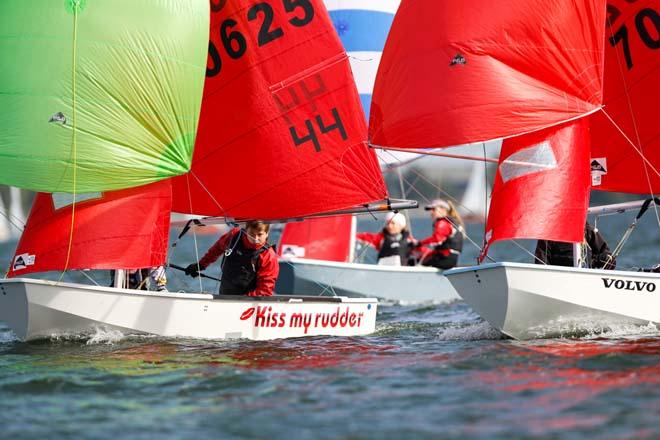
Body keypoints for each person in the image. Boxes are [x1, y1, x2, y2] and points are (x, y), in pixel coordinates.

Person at [184, 220, 279, 296]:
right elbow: (216, 249)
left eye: (260, 234)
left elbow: (265, 290)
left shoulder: (268, 256)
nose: (255, 238)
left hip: (248, 302)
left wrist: (243, 301)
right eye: (252, 234)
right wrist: (200, 265)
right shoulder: (234, 235)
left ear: (267, 233)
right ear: (246, 230)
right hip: (225, 293)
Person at [534, 222, 616, 269]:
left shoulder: (588, 231)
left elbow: (610, 260)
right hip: (558, 281)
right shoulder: (549, 235)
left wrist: (595, 261)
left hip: (586, 280)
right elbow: (540, 263)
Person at [415, 198, 464, 270]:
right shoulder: (451, 222)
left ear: (443, 210)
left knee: (415, 261)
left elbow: (437, 240)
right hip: (451, 258)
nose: (431, 212)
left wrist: (419, 243)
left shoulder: (443, 223)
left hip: (444, 258)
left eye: (433, 209)